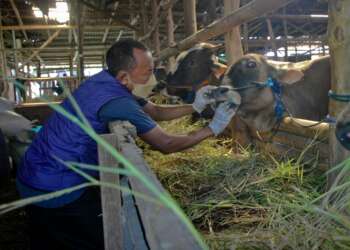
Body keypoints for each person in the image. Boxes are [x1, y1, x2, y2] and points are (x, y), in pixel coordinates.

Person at [16, 39, 240, 250]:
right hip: (55, 186)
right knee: (94, 241)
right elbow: (166, 143)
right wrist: (213, 128)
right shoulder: (118, 101)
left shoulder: (105, 81)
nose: (154, 79)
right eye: (149, 72)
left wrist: (196, 106)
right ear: (124, 76)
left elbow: (156, 111)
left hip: (35, 171)